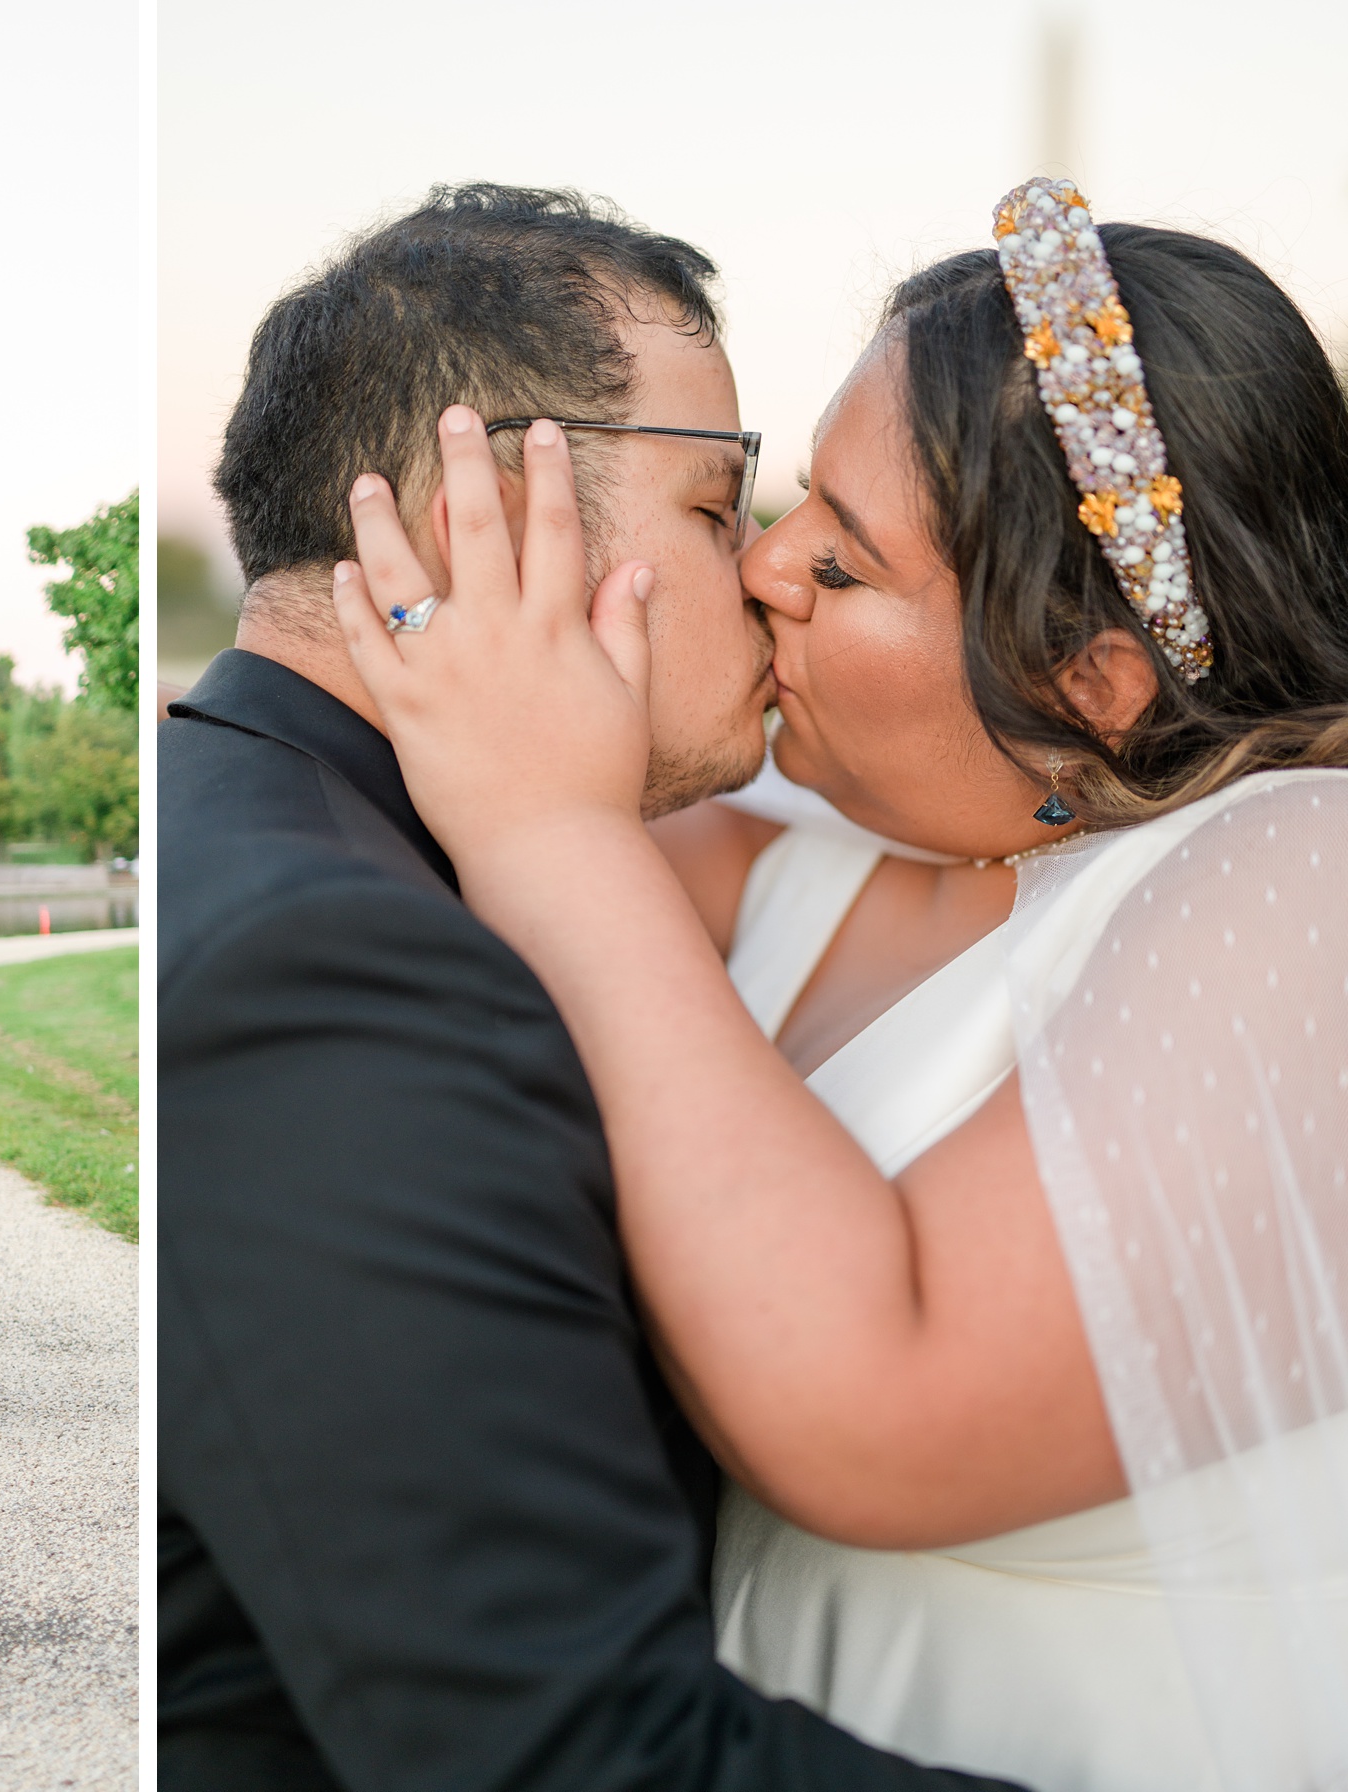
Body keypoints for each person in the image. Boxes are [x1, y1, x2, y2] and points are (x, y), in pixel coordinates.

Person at [334, 180, 1348, 1789]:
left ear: (1087, 683)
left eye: (849, 566)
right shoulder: (804, 858)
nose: (764, 570)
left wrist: (551, 833)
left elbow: (878, 1405)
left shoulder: (1307, 884)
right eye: (786, 502)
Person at [160, 183, 1011, 1789]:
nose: (767, 572)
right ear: (473, 513)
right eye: (717, 509)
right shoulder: (328, 965)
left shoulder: (317, 836)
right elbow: (581, 1756)